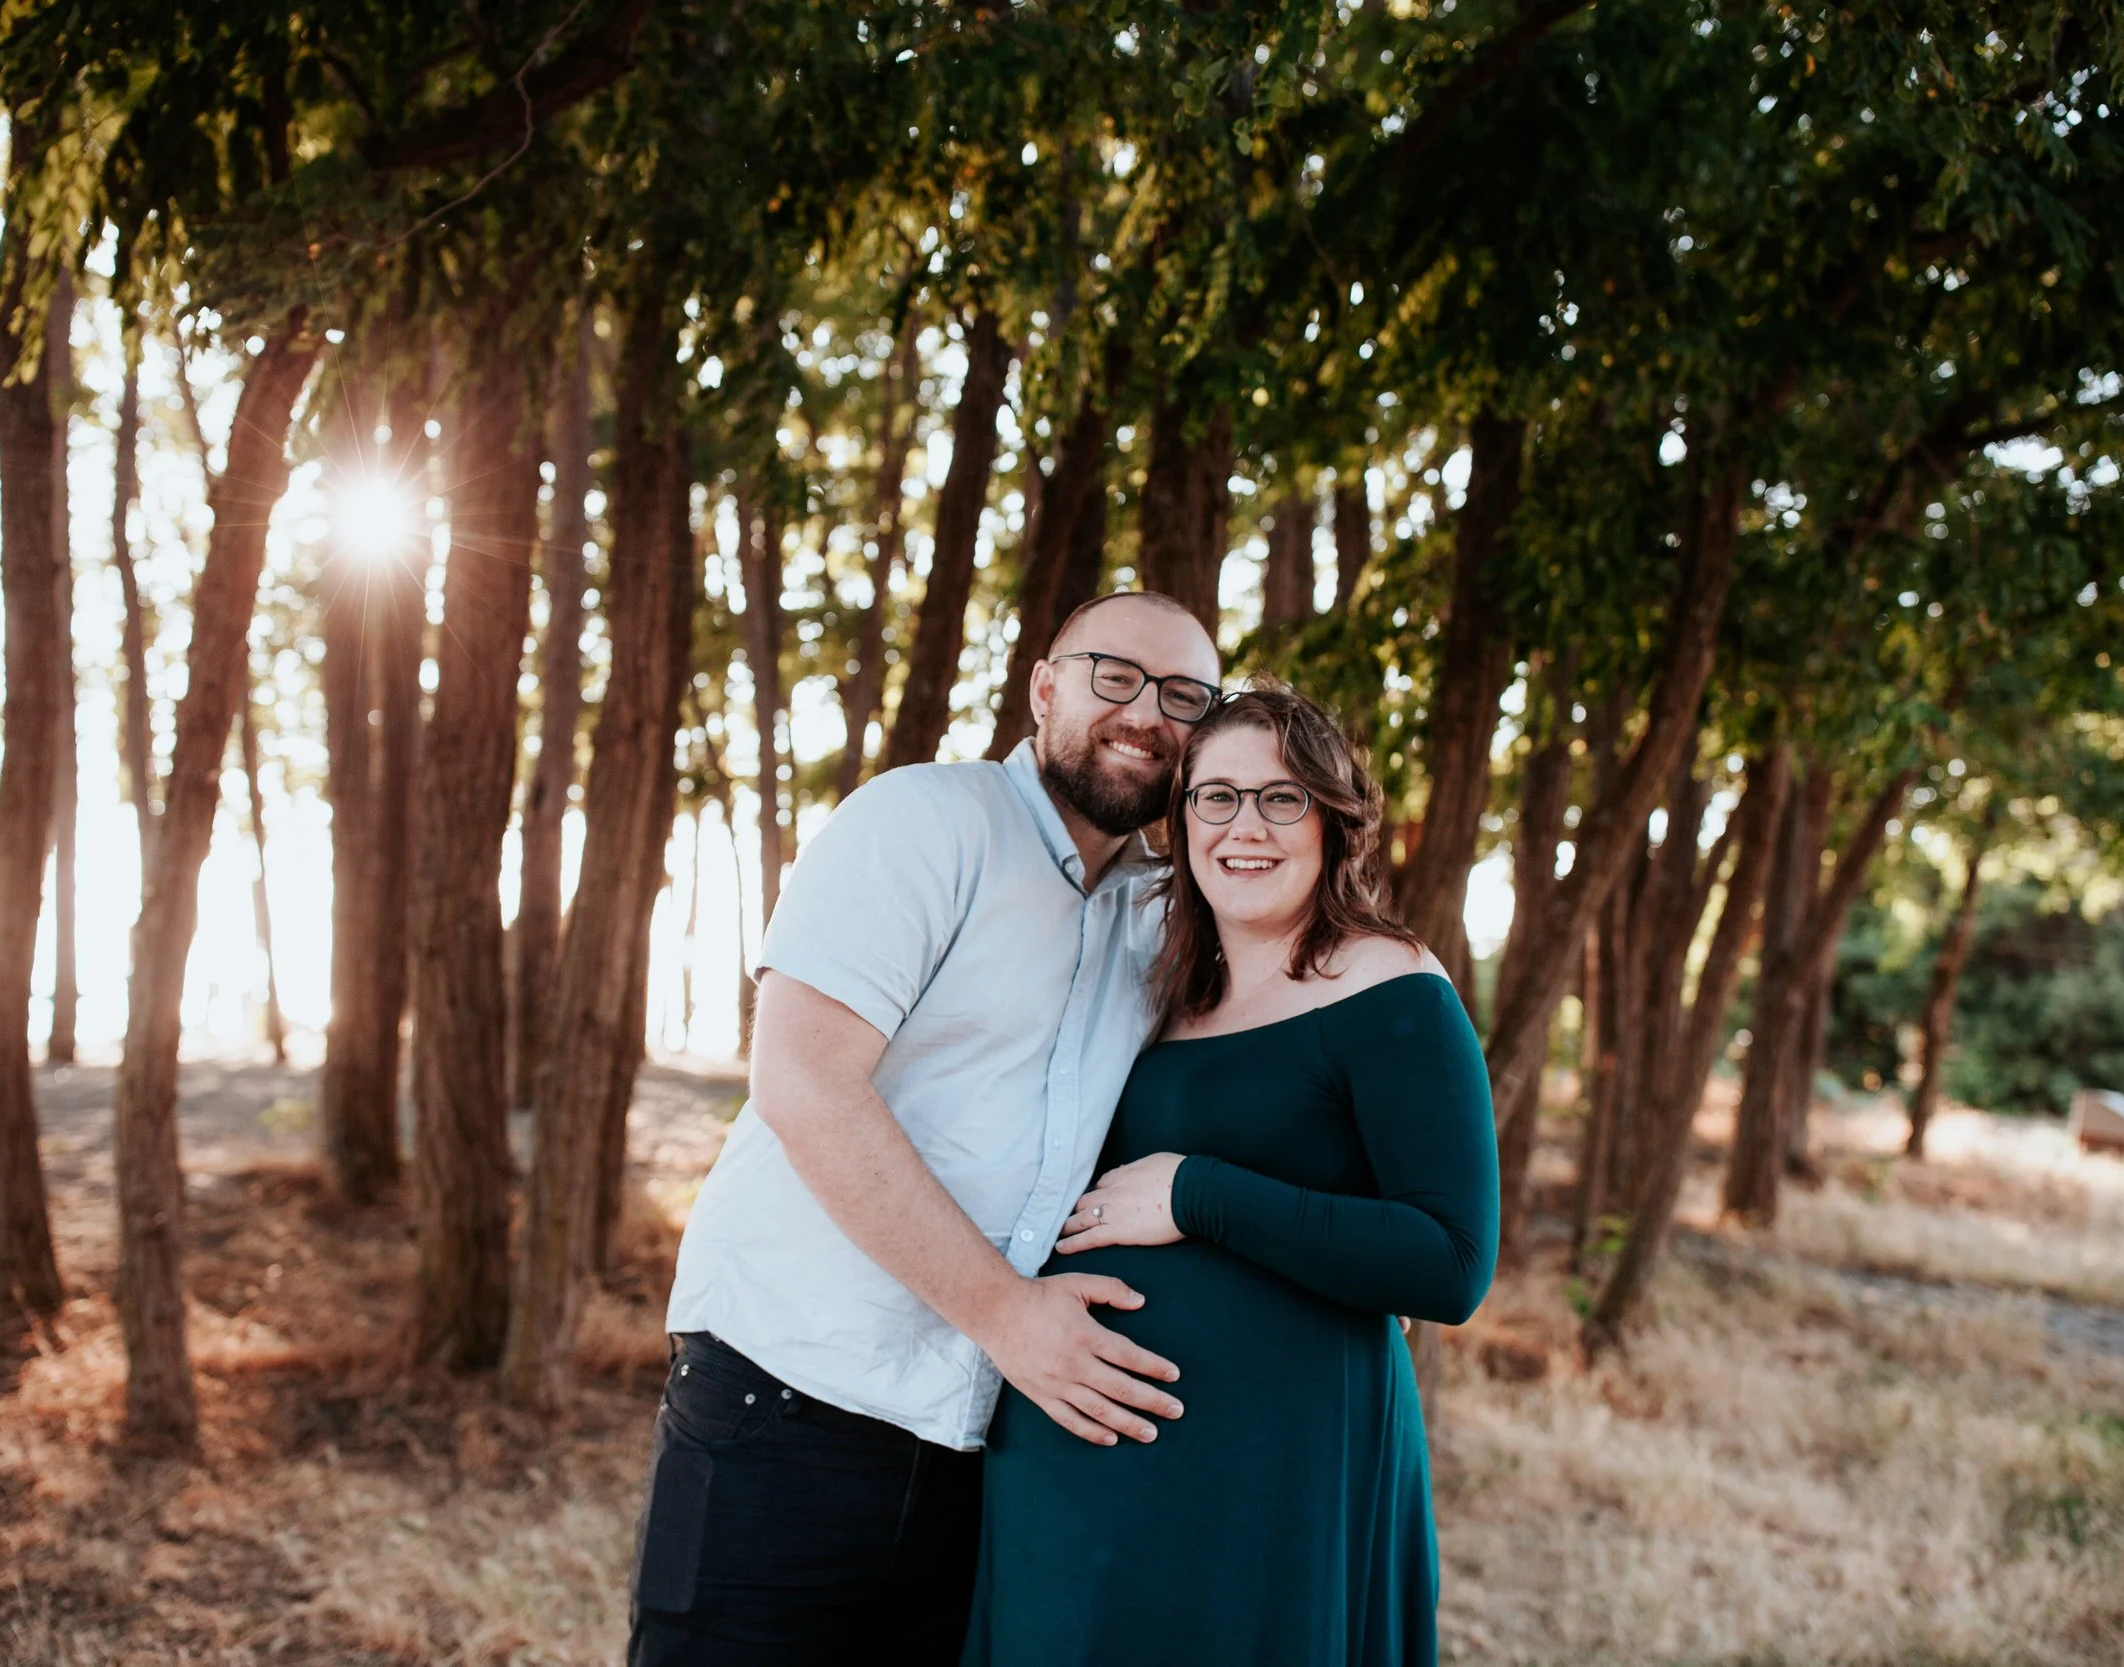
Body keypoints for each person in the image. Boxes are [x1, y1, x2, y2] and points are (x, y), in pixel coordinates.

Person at [628, 591, 1225, 1665]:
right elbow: (805, 1080)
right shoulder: (923, 821)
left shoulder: (1164, 911)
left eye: (1183, 694)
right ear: (1044, 686)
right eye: (1115, 675)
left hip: (977, 1452)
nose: (1146, 712)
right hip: (786, 1408)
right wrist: (1010, 1314)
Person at [964, 683, 1501, 1667]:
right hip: (1076, 1470)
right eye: (1216, 796)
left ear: (1334, 821)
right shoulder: (1159, 983)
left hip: (1269, 1481)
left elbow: (1450, 1260)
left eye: (1280, 797)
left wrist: (1196, 1193)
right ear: (1180, 820)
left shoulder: (1390, 985)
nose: (1243, 825)